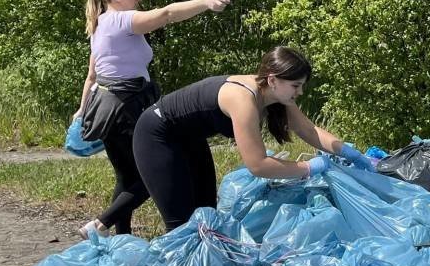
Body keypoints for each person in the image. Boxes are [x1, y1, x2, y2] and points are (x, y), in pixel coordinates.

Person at [132, 46, 375, 230]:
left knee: (206, 215)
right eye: (296, 85)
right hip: (157, 134)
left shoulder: (276, 94)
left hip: (191, 138)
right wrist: (310, 167)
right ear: (273, 80)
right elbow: (258, 165)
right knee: (181, 223)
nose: (300, 92)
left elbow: (308, 131)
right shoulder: (243, 99)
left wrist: (347, 152)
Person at [75, 0, 231, 238]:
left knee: (127, 177)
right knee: (153, 171)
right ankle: (100, 224)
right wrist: (206, 2)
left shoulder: (100, 23)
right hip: (128, 106)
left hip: (107, 106)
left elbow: (92, 75)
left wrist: (82, 110)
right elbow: (168, 14)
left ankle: (121, 240)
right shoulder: (121, 21)